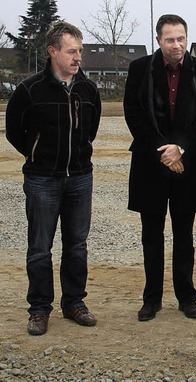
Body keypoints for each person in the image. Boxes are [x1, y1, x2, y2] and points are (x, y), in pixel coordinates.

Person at [6, 21, 101, 335]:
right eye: (71, 51)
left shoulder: (88, 90)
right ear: (52, 52)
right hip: (41, 181)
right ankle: (39, 310)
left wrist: (79, 155)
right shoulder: (30, 90)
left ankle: (74, 303)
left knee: (76, 246)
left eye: (80, 51)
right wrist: (37, 154)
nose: (78, 58)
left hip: (79, 179)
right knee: (40, 247)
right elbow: (15, 131)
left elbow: (91, 129)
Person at [123, 14, 196, 322]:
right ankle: (151, 300)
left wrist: (181, 148)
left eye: (181, 38)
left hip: (187, 165)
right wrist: (163, 151)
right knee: (151, 235)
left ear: (186, 38)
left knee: (184, 234)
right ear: (158, 40)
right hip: (151, 164)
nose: (176, 45)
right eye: (169, 39)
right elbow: (133, 113)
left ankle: (187, 297)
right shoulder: (140, 69)